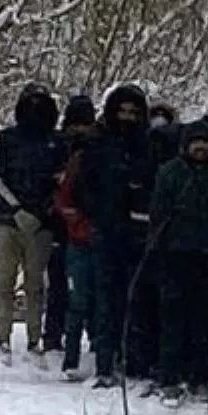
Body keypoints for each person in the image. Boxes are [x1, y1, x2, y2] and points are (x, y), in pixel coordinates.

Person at [79, 84, 156, 387]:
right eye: (122, 111)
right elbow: (85, 185)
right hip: (107, 230)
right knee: (106, 298)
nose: (127, 117)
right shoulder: (98, 143)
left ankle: (134, 361)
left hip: (138, 231)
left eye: (133, 113)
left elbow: (154, 184)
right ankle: (104, 363)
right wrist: (100, 211)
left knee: (136, 298)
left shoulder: (147, 144)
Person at [150, 122, 208, 403]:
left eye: (205, 142)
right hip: (175, 255)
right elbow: (159, 213)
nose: (201, 148)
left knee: (205, 320)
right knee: (173, 319)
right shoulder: (170, 172)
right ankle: (169, 376)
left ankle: (199, 376)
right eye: (195, 143)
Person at [0, 83, 66, 364]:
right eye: (30, 104)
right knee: (5, 282)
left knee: (36, 285)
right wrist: (17, 208)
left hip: (41, 224)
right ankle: (3, 339)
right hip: (8, 221)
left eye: (41, 105)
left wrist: (43, 211)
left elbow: (64, 181)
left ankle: (35, 340)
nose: (36, 111)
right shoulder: (5, 139)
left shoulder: (58, 142)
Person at [52, 95, 100, 379]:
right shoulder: (70, 157)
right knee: (76, 300)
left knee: (98, 301)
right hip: (75, 237)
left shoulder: (103, 158)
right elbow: (63, 197)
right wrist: (76, 223)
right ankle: (70, 359)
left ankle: (97, 352)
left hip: (102, 238)